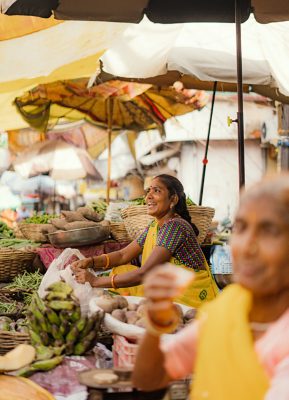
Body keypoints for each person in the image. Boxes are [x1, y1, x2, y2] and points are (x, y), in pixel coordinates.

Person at [132, 174, 289, 400]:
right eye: (241, 228)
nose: (247, 246)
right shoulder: (230, 304)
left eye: (269, 231)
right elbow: (149, 379)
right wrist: (156, 324)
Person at [71, 174, 218, 307]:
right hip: (169, 289)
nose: (148, 196)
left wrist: (95, 281)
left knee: (127, 279)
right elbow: (123, 255)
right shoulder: (155, 225)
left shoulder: (175, 227)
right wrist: (91, 261)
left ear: (173, 199)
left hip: (190, 302)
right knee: (122, 269)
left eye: (157, 191)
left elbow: (145, 273)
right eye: (149, 191)